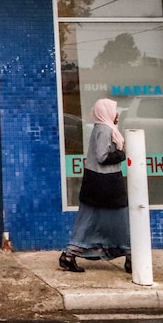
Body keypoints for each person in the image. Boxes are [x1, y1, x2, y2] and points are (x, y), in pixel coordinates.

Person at [59, 98, 131, 274]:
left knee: (90, 217)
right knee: (120, 218)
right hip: (105, 183)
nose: (117, 114)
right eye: (114, 110)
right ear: (106, 112)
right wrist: (122, 154)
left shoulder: (105, 129)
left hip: (98, 182)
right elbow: (102, 156)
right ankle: (130, 255)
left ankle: (70, 254)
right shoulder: (105, 130)